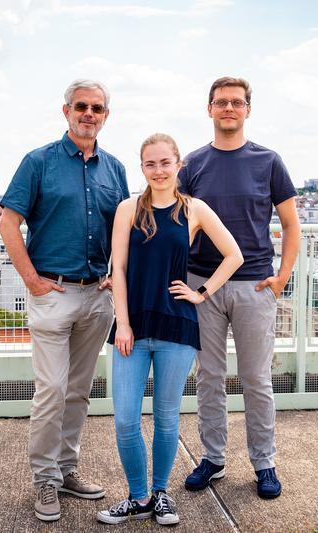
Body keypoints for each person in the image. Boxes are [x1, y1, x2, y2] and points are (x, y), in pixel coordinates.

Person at [0, 79, 129, 522]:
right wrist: (32, 280)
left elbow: (123, 230)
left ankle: (67, 470)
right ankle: (44, 482)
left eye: (96, 108)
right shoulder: (38, 163)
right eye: (81, 107)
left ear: (106, 115)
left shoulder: (114, 169)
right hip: (53, 293)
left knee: (78, 392)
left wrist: (118, 275)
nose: (88, 114)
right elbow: (8, 223)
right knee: (51, 391)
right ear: (66, 111)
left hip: (97, 295)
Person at [97, 134, 243, 526]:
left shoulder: (195, 209)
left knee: (166, 417)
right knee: (126, 418)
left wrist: (201, 292)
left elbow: (234, 255)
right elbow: (120, 270)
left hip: (177, 325)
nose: (158, 171)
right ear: (142, 168)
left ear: (178, 165)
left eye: (165, 163)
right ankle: (138, 497)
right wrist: (122, 322)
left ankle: (160, 494)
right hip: (133, 327)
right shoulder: (128, 209)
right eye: (150, 164)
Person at [179, 76, 301, 499]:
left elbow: (290, 225)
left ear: (248, 109)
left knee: (256, 379)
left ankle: (264, 463)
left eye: (236, 102)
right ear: (209, 109)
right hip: (202, 285)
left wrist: (282, 276)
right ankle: (213, 459)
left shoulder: (268, 161)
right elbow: (174, 223)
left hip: (254, 285)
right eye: (220, 102)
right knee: (209, 378)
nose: (228, 108)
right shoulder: (192, 164)